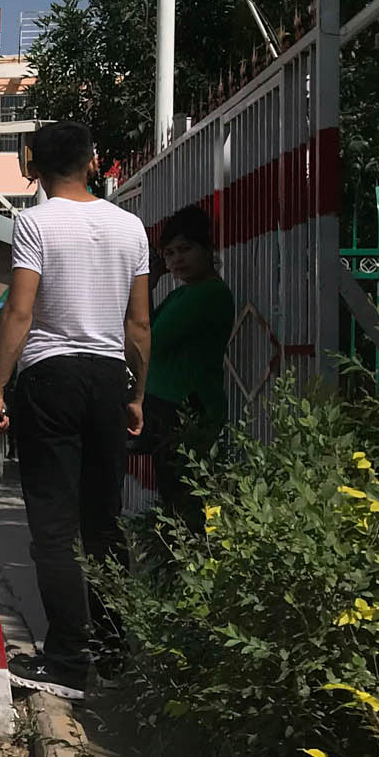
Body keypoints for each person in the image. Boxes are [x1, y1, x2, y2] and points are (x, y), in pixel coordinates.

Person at [0, 121, 150, 699]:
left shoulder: (34, 222)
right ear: (94, 160)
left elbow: (21, 312)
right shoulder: (130, 227)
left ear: (33, 164)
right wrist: (136, 393)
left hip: (50, 377)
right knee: (102, 520)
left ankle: (66, 661)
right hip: (109, 377)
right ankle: (113, 651)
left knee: (54, 528)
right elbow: (138, 323)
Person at [142, 205, 234, 529]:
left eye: (185, 249)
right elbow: (148, 329)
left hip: (187, 408)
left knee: (184, 504)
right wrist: (152, 282)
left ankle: (191, 572)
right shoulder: (184, 294)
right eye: (169, 253)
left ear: (207, 248)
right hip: (170, 409)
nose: (177, 259)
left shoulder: (209, 294)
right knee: (174, 500)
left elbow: (149, 339)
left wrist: (147, 284)